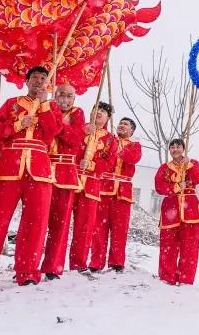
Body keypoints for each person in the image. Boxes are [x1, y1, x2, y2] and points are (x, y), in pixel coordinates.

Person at [0, 66, 62, 286]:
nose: (38, 82)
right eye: (35, 78)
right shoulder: (12, 103)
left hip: (39, 169)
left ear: (48, 84)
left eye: (43, 79)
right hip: (8, 168)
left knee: (36, 223)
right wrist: (19, 124)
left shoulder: (52, 108)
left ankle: (28, 272)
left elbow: (54, 131)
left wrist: (45, 105)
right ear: (27, 81)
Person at [40, 83, 85, 280]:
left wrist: (56, 124)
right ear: (54, 94)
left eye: (69, 96)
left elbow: (75, 139)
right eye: (60, 94)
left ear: (74, 99)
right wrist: (55, 122)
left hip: (66, 171)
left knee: (60, 223)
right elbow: (44, 133)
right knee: (37, 220)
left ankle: (53, 266)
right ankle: (29, 265)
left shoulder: (79, 113)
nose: (64, 99)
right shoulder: (45, 107)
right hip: (42, 168)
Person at [69, 102, 118, 272]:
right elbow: (66, 147)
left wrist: (91, 165)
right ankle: (53, 265)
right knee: (58, 225)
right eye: (96, 109)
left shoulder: (111, 139)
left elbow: (110, 163)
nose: (99, 113)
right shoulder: (78, 129)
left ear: (108, 118)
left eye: (103, 111)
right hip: (69, 180)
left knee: (85, 227)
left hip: (91, 185)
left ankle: (78, 264)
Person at [92, 116, 142, 272]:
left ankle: (116, 262)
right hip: (104, 189)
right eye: (120, 123)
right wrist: (111, 144)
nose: (122, 125)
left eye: (126, 124)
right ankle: (96, 262)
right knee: (99, 228)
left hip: (123, 192)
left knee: (120, 229)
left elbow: (132, 158)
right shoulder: (108, 141)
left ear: (132, 130)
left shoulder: (135, 146)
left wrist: (117, 147)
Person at [154, 138, 199, 285]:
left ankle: (186, 278)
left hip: (190, 210)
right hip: (170, 208)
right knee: (168, 246)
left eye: (178, 146)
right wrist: (175, 187)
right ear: (169, 150)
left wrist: (189, 165)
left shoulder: (192, 163)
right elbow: (159, 186)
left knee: (190, 247)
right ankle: (167, 277)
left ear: (183, 148)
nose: (175, 149)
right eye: (172, 147)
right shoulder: (164, 168)